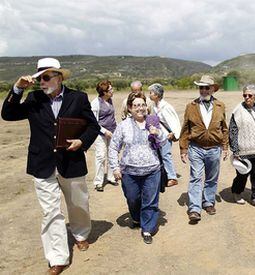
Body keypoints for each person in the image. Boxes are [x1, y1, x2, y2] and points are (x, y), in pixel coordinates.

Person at [1, 58, 99, 274]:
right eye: (39, 79)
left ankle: (81, 234)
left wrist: (82, 141)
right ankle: (58, 257)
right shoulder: (34, 98)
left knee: (78, 204)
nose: (41, 82)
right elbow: (7, 114)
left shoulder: (78, 98)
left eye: (46, 78)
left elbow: (93, 126)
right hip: (42, 164)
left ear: (59, 77)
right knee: (50, 212)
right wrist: (17, 88)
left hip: (71, 163)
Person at [108, 93, 165, 244]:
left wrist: (157, 132)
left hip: (152, 169)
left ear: (147, 106)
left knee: (150, 201)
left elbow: (164, 140)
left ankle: (147, 228)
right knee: (133, 198)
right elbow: (114, 147)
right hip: (129, 172)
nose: (140, 108)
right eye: (136, 106)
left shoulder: (153, 121)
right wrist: (115, 168)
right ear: (129, 109)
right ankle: (136, 217)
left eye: (142, 105)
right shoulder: (123, 125)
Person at [179, 75, 229, 223]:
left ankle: (208, 202)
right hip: (196, 148)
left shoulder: (220, 106)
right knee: (195, 177)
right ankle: (194, 208)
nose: (204, 90)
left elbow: (224, 128)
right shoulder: (191, 106)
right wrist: (183, 149)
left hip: (214, 148)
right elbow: (185, 128)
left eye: (207, 88)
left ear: (213, 89)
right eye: (201, 88)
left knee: (212, 178)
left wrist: (225, 147)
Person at [148, 83, 181, 187]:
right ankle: (165, 175)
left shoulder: (165, 107)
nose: (149, 94)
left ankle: (172, 177)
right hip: (159, 135)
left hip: (166, 135)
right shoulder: (155, 105)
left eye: (151, 92)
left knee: (166, 156)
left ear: (157, 95)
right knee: (161, 155)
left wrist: (175, 133)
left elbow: (174, 120)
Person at [91, 80, 117, 192]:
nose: (112, 90)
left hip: (113, 132)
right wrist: (104, 131)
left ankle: (111, 177)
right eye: (110, 89)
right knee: (101, 156)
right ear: (104, 92)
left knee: (112, 154)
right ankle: (98, 182)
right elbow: (93, 121)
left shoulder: (110, 100)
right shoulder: (95, 103)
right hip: (101, 134)